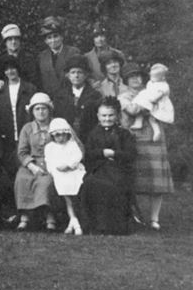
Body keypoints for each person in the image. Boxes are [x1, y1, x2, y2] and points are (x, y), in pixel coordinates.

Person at [79, 98, 137, 235]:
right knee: (89, 183)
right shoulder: (93, 134)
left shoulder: (124, 134)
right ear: (98, 116)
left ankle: (115, 227)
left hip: (119, 169)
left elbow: (131, 154)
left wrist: (115, 153)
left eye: (111, 115)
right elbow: (88, 154)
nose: (107, 119)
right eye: (104, 115)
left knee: (114, 185)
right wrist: (102, 152)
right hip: (98, 168)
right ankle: (93, 225)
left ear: (117, 116)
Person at [0, 56, 37, 220]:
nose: (10, 72)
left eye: (13, 68)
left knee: (25, 173)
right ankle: (14, 212)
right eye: (7, 69)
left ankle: (29, 212)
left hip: (26, 139)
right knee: (9, 175)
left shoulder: (30, 88)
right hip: (7, 138)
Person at [124, 84, 173, 231]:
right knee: (135, 177)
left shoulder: (151, 92)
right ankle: (135, 215)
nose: (136, 80)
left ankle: (154, 218)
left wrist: (149, 103)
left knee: (156, 177)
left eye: (139, 77)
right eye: (132, 78)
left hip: (154, 136)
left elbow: (164, 110)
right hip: (135, 135)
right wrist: (149, 104)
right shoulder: (124, 95)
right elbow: (133, 110)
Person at [14, 92, 59, 231]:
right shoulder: (27, 128)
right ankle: (24, 217)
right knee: (22, 179)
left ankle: (49, 216)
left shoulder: (57, 124)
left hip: (52, 163)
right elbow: (22, 152)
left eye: (44, 108)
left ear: (49, 110)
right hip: (31, 163)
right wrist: (32, 166)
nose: (41, 112)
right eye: (37, 109)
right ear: (32, 111)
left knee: (46, 182)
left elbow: (71, 143)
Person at [44, 118, 85, 235]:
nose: (60, 138)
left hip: (73, 171)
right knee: (64, 189)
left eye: (63, 135)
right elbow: (49, 162)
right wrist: (55, 169)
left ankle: (74, 220)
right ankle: (73, 220)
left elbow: (78, 156)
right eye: (57, 136)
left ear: (67, 134)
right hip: (59, 174)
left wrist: (68, 165)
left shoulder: (72, 145)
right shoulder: (50, 147)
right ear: (52, 136)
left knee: (75, 187)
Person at [52, 56, 101, 138]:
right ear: (67, 75)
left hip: (88, 136)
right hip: (65, 137)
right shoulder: (60, 96)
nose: (76, 75)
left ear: (86, 75)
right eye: (73, 72)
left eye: (80, 72)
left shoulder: (95, 95)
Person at [36, 16, 82, 95]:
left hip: (70, 97)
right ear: (45, 41)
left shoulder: (73, 52)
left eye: (55, 36)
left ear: (62, 37)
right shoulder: (41, 57)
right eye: (49, 38)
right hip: (50, 99)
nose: (53, 40)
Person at [132, 63, 173, 139]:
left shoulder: (164, 86)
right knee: (141, 110)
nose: (152, 78)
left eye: (155, 77)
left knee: (152, 119)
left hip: (158, 104)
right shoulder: (151, 82)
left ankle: (157, 131)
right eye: (151, 76)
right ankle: (138, 122)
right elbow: (148, 90)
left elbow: (157, 96)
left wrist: (152, 99)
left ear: (163, 78)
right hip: (150, 102)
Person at [0, 24, 39, 90]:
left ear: (20, 41)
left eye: (16, 39)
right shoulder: (0, 61)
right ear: (5, 42)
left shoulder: (29, 59)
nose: (13, 42)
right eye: (10, 39)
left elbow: (34, 81)